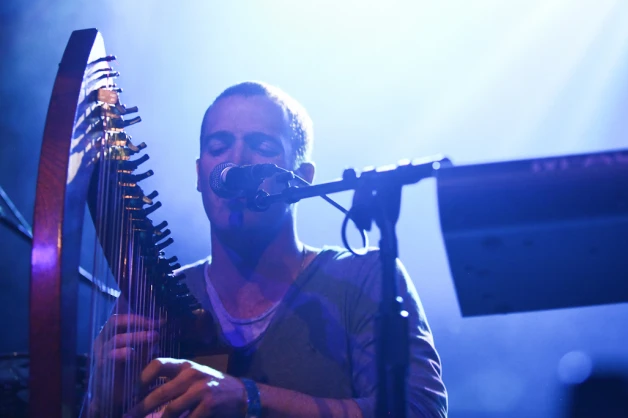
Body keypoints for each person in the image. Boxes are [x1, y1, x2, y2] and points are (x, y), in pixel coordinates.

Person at [92, 81, 447, 418]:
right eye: (218, 148)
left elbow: (419, 411)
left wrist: (249, 399)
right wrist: (103, 401)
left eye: (262, 146)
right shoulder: (152, 297)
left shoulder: (364, 278)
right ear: (200, 175)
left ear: (303, 177)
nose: (236, 163)